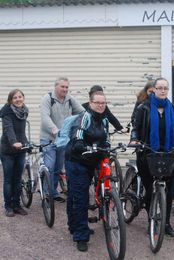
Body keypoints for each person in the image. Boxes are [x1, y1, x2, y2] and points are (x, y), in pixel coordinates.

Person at [130, 78, 174, 237]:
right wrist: (134, 140)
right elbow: (135, 127)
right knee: (150, 188)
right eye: (160, 88)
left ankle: (166, 222)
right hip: (147, 153)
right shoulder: (144, 107)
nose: (163, 91)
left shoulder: (173, 109)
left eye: (165, 88)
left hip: (170, 153)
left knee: (168, 191)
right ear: (154, 90)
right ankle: (151, 220)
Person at [65, 91, 110, 252]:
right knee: (80, 196)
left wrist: (108, 149)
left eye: (103, 103)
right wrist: (79, 144)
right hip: (76, 160)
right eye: (97, 102)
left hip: (91, 161)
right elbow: (78, 132)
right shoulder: (85, 117)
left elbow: (106, 140)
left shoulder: (104, 120)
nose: (100, 105)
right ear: (90, 103)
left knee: (74, 194)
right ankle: (81, 236)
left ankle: (73, 224)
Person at [40, 77, 84, 202]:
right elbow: (45, 117)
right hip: (49, 138)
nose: (65, 89)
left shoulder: (70, 99)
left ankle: (52, 192)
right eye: (62, 86)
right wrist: (54, 129)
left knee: (58, 168)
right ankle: (46, 193)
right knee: (49, 166)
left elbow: (82, 112)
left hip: (63, 140)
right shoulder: (47, 98)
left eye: (66, 87)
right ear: (56, 86)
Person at [0, 89, 29, 217]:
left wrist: (26, 143)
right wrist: (14, 142)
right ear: (10, 100)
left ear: (23, 98)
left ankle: (17, 205)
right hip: (8, 151)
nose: (18, 99)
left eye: (20, 97)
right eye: (15, 98)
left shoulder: (24, 111)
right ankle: (8, 206)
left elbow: (21, 131)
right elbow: (9, 129)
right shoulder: (7, 113)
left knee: (18, 179)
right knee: (8, 180)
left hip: (20, 150)